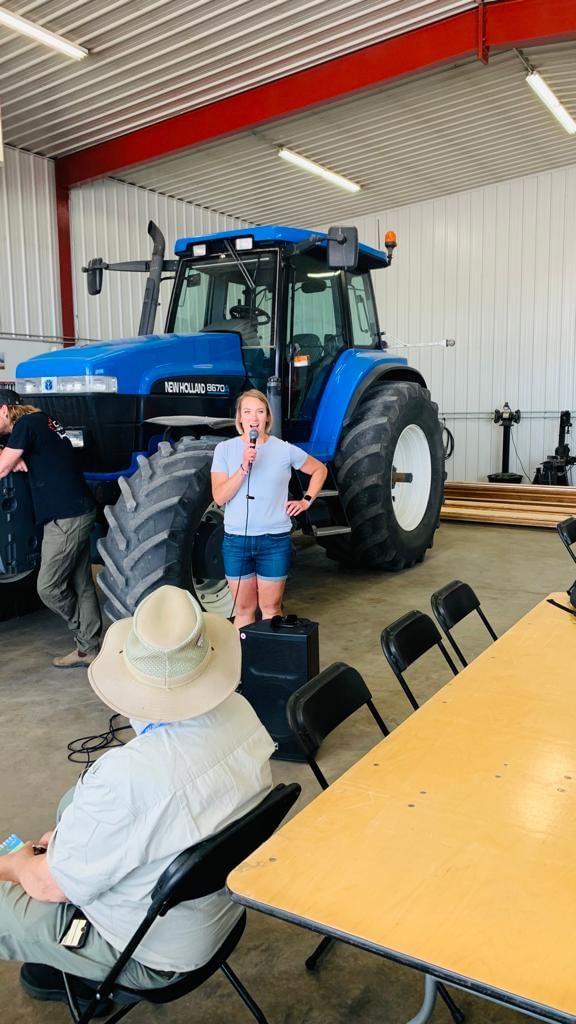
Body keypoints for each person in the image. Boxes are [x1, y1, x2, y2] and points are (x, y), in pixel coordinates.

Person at [0, 584, 275, 1011]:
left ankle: (86, 971)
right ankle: (65, 952)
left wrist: (15, 862)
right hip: (217, 918)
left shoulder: (123, 778)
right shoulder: (241, 713)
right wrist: (72, 841)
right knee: (74, 804)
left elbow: (47, 886)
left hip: (157, 956)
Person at [0, 388, 101, 668]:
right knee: (81, 584)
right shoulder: (41, 422)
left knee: (48, 587)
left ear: (5, 411)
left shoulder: (25, 426)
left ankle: (84, 637)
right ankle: (88, 650)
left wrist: (7, 458)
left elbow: (1, 468)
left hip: (65, 517)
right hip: (78, 509)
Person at [211, 388, 327, 627]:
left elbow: (319, 470)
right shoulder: (225, 450)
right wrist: (243, 468)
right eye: (248, 411)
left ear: (267, 417)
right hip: (237, 542)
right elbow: (220, 497)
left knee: (271, 608)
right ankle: (243, 662)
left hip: (273, 541)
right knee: (243, 611)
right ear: (240, 418)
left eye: (260, 411)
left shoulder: (284, 449)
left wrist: (306, 500)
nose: (254, 417)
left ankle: (267, 661)